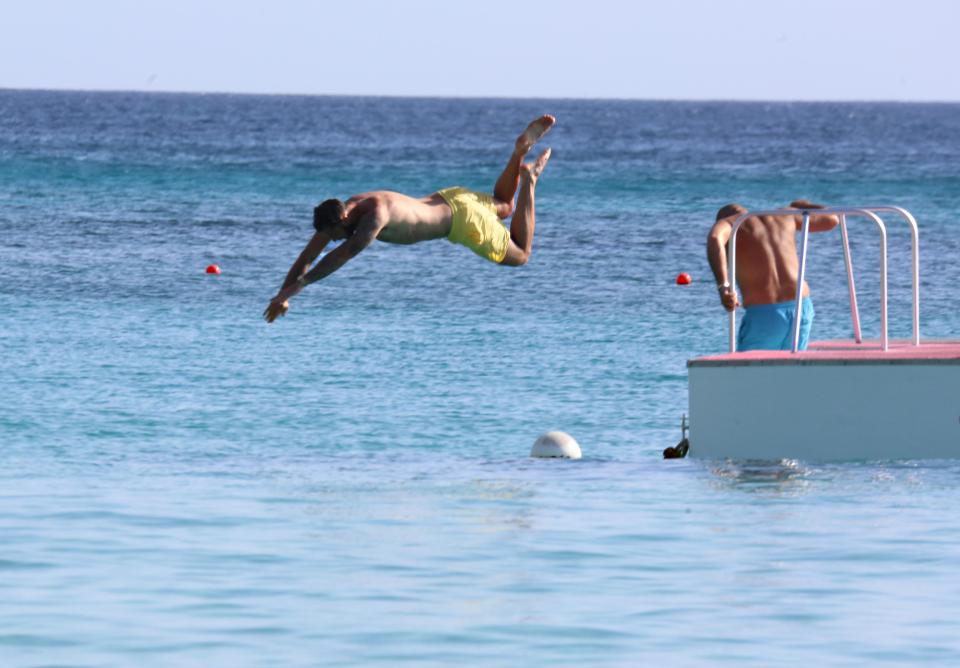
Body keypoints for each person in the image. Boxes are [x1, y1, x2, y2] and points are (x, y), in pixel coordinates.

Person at [263, 115, 555, 323]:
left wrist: (294, 290)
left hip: (464, 223)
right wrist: (281, 295)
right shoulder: (348, 206)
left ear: (342, 222)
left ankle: (528, 178)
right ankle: (518, 153)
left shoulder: (374, 218)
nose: (335, 239)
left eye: (336, 234)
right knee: (505, 204)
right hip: (452, 197)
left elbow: (335, 259)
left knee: (522, 254)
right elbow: (308, 255)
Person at [706, 201, 840, 351]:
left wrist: (723, 287)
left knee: (749, 372)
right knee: (791, 367)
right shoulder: (784, 214)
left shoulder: (731, 223)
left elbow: (714, 238)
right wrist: (801, 204)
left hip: (765, 313)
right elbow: (832, 219)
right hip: (802, 306)